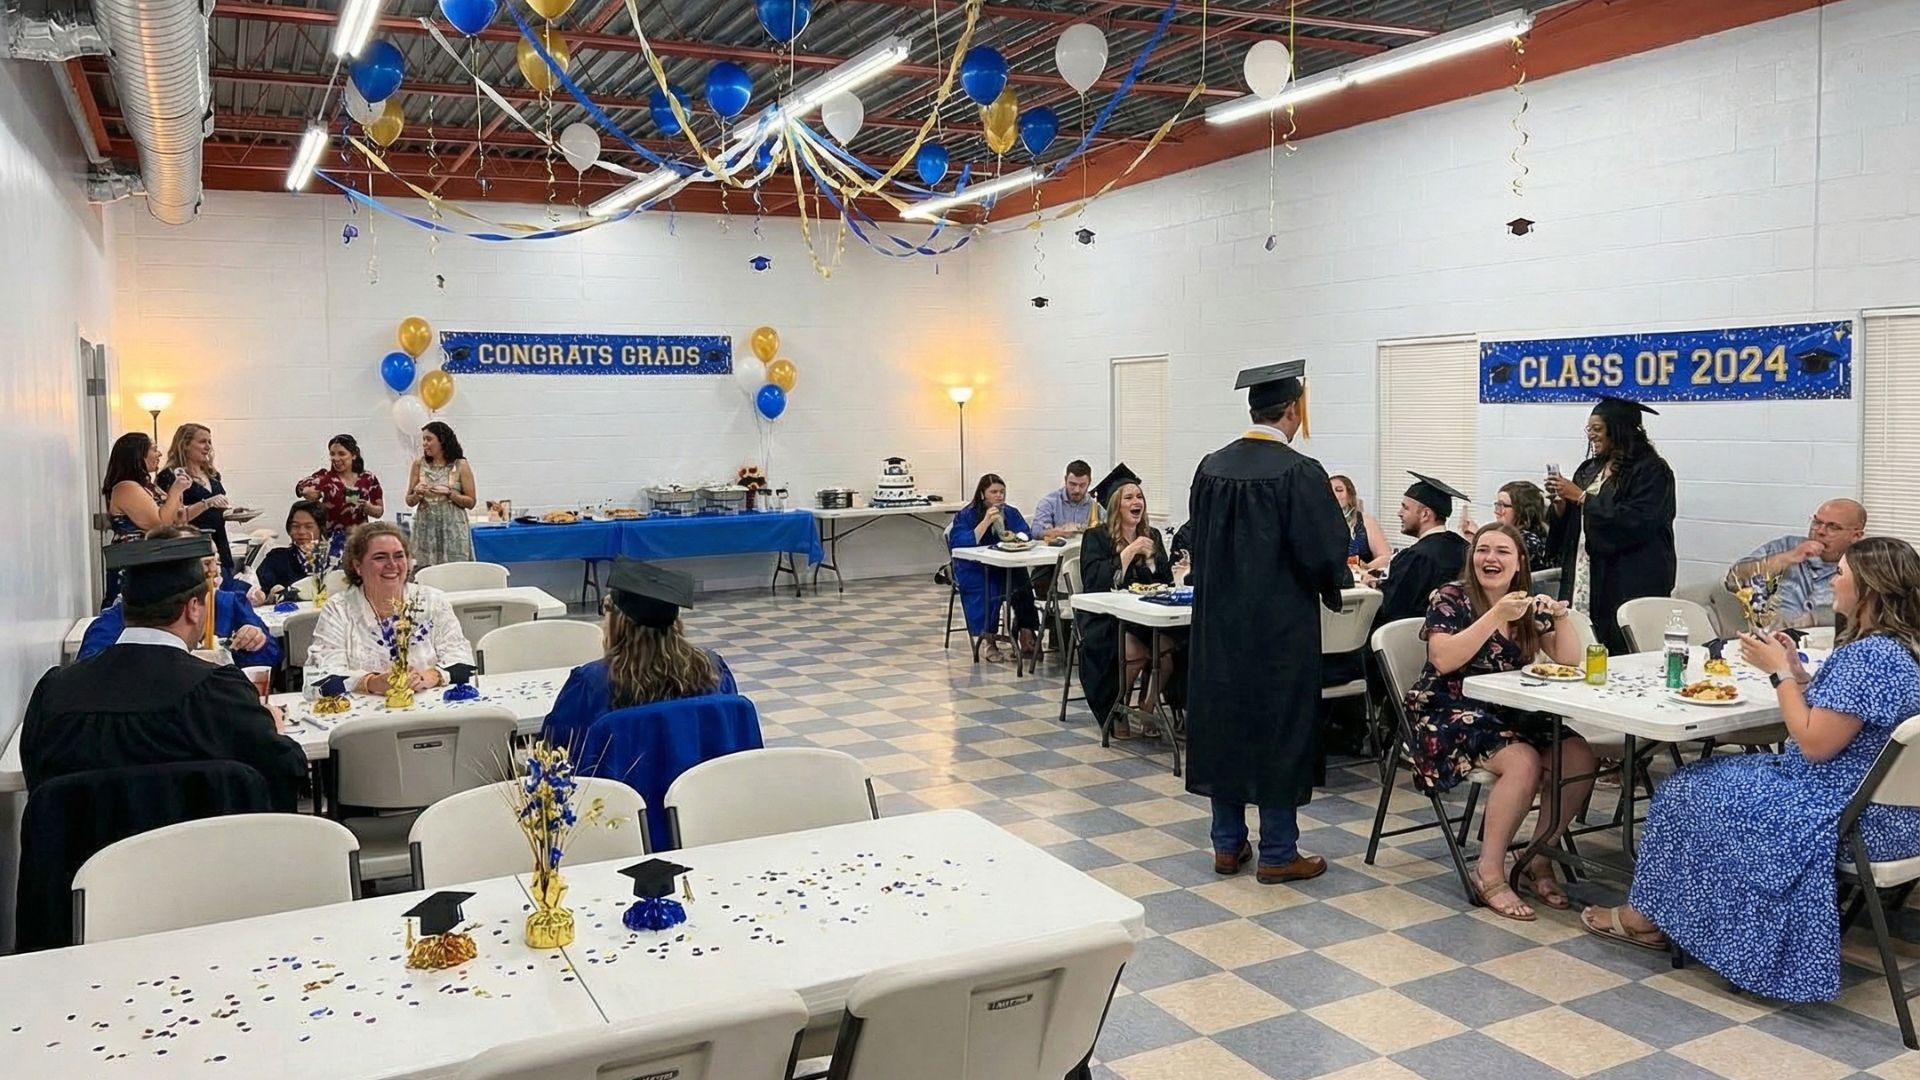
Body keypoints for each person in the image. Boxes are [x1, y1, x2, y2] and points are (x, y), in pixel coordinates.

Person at [1582, 537, 1920, 1004]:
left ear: (1869, 590)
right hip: (1897, 816)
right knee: (1710, 782)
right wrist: (1800, 674)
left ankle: (1655, 919)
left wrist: (1778, 674)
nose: (1835, 579)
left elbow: (1816, 743)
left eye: (1842, 573)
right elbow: (1847, 719)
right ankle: (1689, 916)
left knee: (1685, 789)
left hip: (1846, 812)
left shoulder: (1865, 659)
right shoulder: (1900, 651)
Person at [1185, 360, 1349, 885]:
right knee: (1279, 729)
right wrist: (1331, 584)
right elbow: (1325, 550)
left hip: (1217, 628)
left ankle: (1227, 845)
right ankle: (1279, 851)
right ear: (1294, 410)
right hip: (1279, 633)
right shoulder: (1299, 472)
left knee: (1225, 724)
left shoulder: (1210, 467)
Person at [22, 533, 307, 810]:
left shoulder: (55, 691)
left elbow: (38, 782)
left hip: (85, 856)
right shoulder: (218, 692)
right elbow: (284, 771)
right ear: (194, 608)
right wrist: (274, 729)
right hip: (198, 853)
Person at [1403, 523, 1594, 920]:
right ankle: (1488, 870)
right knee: (1521, 760)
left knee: (1578, 754)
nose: (1491, 558)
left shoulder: (1522, 605)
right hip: (1448, 708)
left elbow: (1570, 659)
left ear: (1519, 562)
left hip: (1509, 709)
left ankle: (1537, 855)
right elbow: (1444, 659)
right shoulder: (1451, 597)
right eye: (1482, 550)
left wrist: (1558, 617)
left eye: (1503, 551)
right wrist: (1494, 615)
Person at [542, 559, 739, 750]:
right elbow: (730, 733)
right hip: (701, 781)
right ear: (675, 623)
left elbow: (553, 747)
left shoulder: (592, 682)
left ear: (617, 624)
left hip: (619, 783)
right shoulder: (711, 668)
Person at [1546, 396, 1677, 654]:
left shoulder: (1652, 471)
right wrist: (1562, 506)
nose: (1591, 436)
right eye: (1589, 429)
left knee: (1620, 647)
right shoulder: (1589, 469)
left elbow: (1639, 521)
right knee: (1583, 643)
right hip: (1586, 571)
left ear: (1618, 429)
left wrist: (1582, 497)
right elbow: (1576, 522)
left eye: (1597, 429)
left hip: (1628, 576)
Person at [1077, 465, 1188, 740]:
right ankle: (1117, 709)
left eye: (1139, 496)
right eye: (1128, 497)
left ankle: (1148, 707)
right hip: (1106, 619)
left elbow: (1163, 581)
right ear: (1116, 505)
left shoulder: (1153, 536)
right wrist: (1129, 551)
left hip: (1144, 615)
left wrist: (1180, 574)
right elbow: (1095, 582)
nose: (1136, 502)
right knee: (1134, 652)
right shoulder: (1097, 537)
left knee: (1168, 652)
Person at [80, 524, 280, 669]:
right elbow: (90, 665)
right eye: (202, 563)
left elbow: (272, 655)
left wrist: (256, 641)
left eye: (215, 562)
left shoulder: (228, 603)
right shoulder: (130, 612)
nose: (213, 571)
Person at [308, 521, 473, 694]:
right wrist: (370, 682)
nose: (392, 564)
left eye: (399, 556)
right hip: (364, 716)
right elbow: (321, 677)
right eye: (380, 557)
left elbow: (464, 663)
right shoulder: (338, 608)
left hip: (433, 713)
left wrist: (433, 676)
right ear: (357, 566)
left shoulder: (434, 600)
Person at [1721, 499, 1867, 630]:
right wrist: (1788, 557)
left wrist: (1815, 619)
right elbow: (1734, 580)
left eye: (1833, 527)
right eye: (1817, 522)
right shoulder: (1786, 546)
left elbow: (1872, 614)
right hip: (1770, 638)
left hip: (1828, 643)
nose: (1820, 531)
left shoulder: (1866, 566)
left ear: (1856, 536)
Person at [947, 473, 1041, 663]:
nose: (999, 496)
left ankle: (1025, 632)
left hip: (1003, 563)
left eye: (1002, 492)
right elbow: (959, 542)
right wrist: (986, 522)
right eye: (994, 492)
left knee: (1022, 582)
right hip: (975, 567)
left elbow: (1025, 532)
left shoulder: (1010, 512)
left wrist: (1016, 536)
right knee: (991, 587)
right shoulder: (967, 514)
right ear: (983, 494)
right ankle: (989, 640)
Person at [1372, 473, 1473, 628]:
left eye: (1405, 508)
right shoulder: (1464, 548)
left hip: (1409, 639)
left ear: (1425, 514)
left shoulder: (1416, 556)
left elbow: (1391, 606)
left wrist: (1373, 585)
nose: (1399, 513)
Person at [100, 432, 189, 605]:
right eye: (154, 449)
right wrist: (176, 491)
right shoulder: (126, 487)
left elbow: (177, 518)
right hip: (134, 563)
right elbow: (159, 523)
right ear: (138, 455)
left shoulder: (147, 487)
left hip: (152, 560)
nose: (160, 454)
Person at [161, 423, 236, 579]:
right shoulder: (171, 476)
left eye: (209, 442)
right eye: (202, 442)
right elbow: (174, 517)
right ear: (185, 445)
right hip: (193, 548)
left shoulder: (212, 475)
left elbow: (218, 509)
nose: (208, 446)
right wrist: (206, 503)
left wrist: (231, 513)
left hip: (220, 545)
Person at [406, 421, 477, 569]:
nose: (424, 444)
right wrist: (417, 494)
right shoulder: (419, 464)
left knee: (455, 571)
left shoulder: (460, 465)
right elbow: (409, 501)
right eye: (423, 439)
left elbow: (471, 502)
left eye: (429, 439)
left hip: (453, 529)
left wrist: (451, 494)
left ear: (442, 440)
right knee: (427, 571)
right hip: (426, 527)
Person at [296, 434, 384, 542]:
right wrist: (304, 491)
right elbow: (301, 486)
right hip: (331, 541)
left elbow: (379, 512)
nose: (336, 458)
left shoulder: (368, 478)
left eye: (342, 454)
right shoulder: (325, 477)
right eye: (332, 454)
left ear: (354, 455)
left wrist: (368, 507)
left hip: (360, 540)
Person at [255, 500, 343, 601]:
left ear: (321, 528)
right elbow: (258, 591)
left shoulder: (336, 561)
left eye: (308, 526)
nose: (301, 532)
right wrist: (266, 597)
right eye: (296, 526)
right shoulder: (276, 559)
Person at [1464, 481, 1557, 572]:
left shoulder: (1528, 540)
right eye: (1497, 505)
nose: (1496, 511)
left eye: (1502, 505)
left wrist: (1479, 539)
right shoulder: (1509, 535)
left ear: (1521, 510)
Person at [1330, 475, 1390, 571]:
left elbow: (1385, 557)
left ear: (1349, 495)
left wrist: (1364, 569)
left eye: (1339, 490)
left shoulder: (1366, 522)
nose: (1333, 494)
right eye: (1329, 490)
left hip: (1359, 580)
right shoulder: (1317, 523)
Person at [1031, 460, 1097, 541]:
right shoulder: (1049, 502)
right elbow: (1035, 531)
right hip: (1058, 551)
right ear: (1065, 480)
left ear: (1089, 482)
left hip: (1086, 550)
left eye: (1082, 485)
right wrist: (1053, 532)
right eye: (1073, 484)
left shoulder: (1095, 505)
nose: (1077, 490)